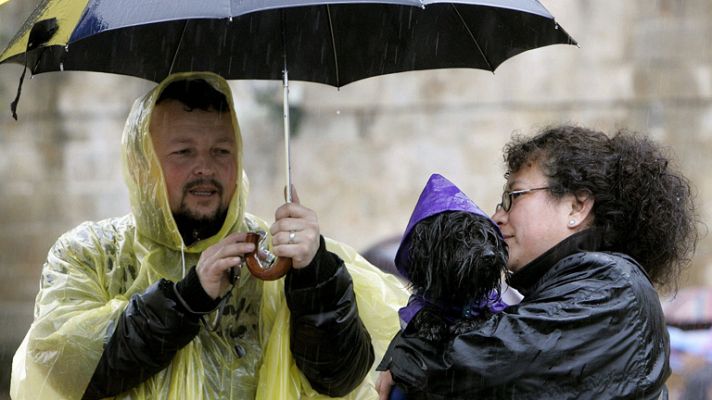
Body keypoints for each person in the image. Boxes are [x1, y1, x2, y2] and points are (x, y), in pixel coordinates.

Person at [10, 72, 408, 400]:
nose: (206, 168)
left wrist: (315, 280)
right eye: (183, 152)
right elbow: (64, 371)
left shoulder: (280, 254)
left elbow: (340, 379)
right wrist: (187, 299)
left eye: (221, 151)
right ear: (143, 166)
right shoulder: (89, 254)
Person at [376, 124, 699, 399]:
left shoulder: (615, 285)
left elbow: (491, 360)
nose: (496, 217)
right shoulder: (577, 290)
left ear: (576, 207)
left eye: (512, 197)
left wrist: (409, 359)